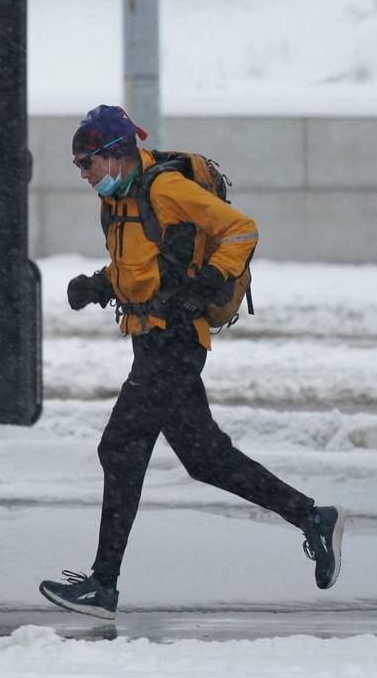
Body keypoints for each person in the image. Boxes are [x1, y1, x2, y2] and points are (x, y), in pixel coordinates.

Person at [38, 105, 345, 621]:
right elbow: (138, 270)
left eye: (87, 163)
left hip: (177, 340)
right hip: (151, 339)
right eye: (78, 166)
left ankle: (103, 585)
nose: (83, 175)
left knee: (120, 447)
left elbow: (242, 230)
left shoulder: (165, 190)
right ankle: (313, 517)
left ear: (115, 155)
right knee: (205, 459)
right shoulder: (117, 203)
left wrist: (213, 281)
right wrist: (98, 285)